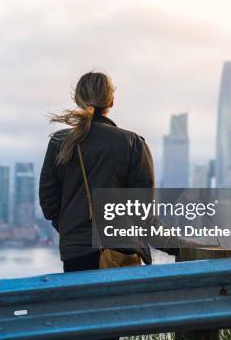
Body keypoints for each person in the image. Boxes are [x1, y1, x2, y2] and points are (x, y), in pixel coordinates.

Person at [39, 71, 182, 273]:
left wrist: (75, 233)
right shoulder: (132, 143)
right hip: (121, 253)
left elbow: (49, 205)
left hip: (76, 255)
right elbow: (145, 219)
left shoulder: (59, 142)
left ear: (77, 99)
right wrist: (181, 248)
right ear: (111, 100)